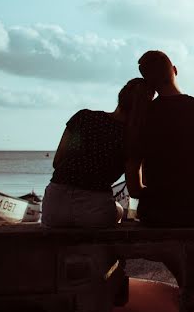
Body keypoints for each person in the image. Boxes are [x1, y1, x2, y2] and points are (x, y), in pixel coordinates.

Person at [127, 50, 194, 227]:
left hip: (155, 213)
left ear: (149, 83)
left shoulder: (140, 117)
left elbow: (134, 188)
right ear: (175, 70)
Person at [42, 78, 154, 228]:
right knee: (119, 211)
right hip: (94, 209)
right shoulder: (133, 138)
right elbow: (134, 190)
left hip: (54, 206)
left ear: (121, 96)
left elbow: (57, 162)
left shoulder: (83, 117)